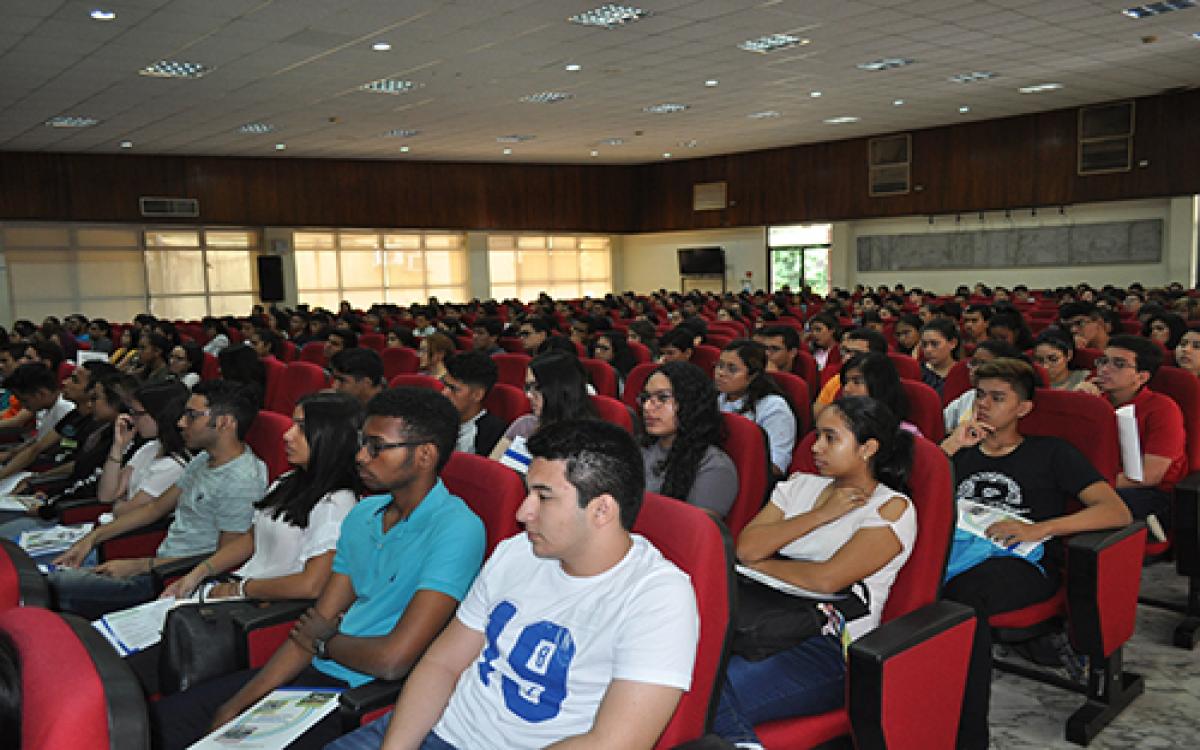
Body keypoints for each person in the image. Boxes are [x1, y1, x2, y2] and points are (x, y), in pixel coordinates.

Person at [327, 419, 699, 750]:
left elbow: (617, 741)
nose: (523, 513)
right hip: (440, 726)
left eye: (544, 497)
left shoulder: (657, 597)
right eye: (527, 493)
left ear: (602, 509)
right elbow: (443, 663)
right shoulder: (516, 552)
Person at [150, 387, 485, 750]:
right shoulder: (364, 514)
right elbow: (312, 626)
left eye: (376, 447)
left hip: (361, 694)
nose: (360, 456)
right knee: (163, 724)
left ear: (424, 455)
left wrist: (325, 640)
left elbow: (393, 659)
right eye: (362, 443)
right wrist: (238, 704)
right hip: (318, 672)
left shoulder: (457, 528)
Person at [939, 358, 1131, 750]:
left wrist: (1040, 528)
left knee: (960, 600)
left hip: (1020, 559)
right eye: (979, 396)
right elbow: (915, 494)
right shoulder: (962, 448)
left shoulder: (1051, 453)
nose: (984, 406)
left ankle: (964, 735)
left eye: (997, 398)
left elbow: (1116, 511)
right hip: (956, 546)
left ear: (1024, 409)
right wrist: (949, 447)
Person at [713, 397, 916, 745]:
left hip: (827, 642)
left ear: (868, 448)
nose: (816, 447)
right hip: (755, 619)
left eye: (830, 438)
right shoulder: (798, 486)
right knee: (680, 670)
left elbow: (828, 578)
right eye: (816, 436)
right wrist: (820, 514)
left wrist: (762, 564)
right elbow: (745, 548)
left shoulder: (892, 508)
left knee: (706, 691)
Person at [47, 380, 269, 619]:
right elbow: (154, 508)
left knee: (53, 584)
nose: (180, 422)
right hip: (158, 562)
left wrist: (139, 565)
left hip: (174, 578)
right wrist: (91, 539)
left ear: (225, 422)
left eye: (191, 416)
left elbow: (224, 558)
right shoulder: (205, 459)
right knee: (51, 572)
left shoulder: (242, 481)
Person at [161, 391, 362, 602]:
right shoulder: (289, 480)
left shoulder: (337, 502)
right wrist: (199, 573)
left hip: (262, 605)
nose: (287, 435)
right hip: (242, 588)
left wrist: (239, 589)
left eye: (302, 429)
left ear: (331, 436)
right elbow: (251, 538)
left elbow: (312, 585)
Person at [1093, 335, 1187, 529]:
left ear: (1142, 376)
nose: (1104, 369)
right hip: (1102, 480)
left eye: (1118, 364)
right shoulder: (1095, 402)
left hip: (1151, 492)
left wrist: (1087, 486)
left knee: (1087, 504)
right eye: (1103, 361)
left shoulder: (1163, 408)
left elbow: (1149, 476)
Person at [638, 361, 738, 516]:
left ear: (691, 403)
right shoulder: (642, 447)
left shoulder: (714, 466)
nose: (647, 406)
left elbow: (694, 534)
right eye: (646, 397)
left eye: (662, 398)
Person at [490, 352, 598, 472]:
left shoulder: (588, 444)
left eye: (537, 387)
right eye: (528, 387)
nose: (528, 395)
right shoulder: (524, 425)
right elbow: (491, 472)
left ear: (559, 390)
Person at [715, 340, 797, 477]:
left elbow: (776, 466)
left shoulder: (773, 407)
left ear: (752, 376)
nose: (721, 373)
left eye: (732, 369)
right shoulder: (718, 398)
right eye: (720, 365)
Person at [0, 363, 77, 482]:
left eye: (24, 400)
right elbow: (37, 439)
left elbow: (36, 449)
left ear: (41, 394)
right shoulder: (45, 408)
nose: (23, 406)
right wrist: (10, 454)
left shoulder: (66, 410)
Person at [839, 352, 920, 436]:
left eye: (857, 382)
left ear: (880, 386)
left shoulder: (906, 434)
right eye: (845, 382)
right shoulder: (836, 426)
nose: (846, 389)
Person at [442, 352, 506, 457]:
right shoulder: (436, 419)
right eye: (445, 386)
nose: (444, 393)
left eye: (453, 389)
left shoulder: (493, 433)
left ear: (477, 395)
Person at [813, 328, 889, 414]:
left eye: (857, 353)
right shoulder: (837, 379)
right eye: (845, 351)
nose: (847, 357)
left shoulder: (887, 384)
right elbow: (817, 412)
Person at [919, 318, 961, 397]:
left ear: (953, 343)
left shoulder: (963, 373)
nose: (928, 350)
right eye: (924, 345)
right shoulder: (918, 372)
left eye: (934, 344)